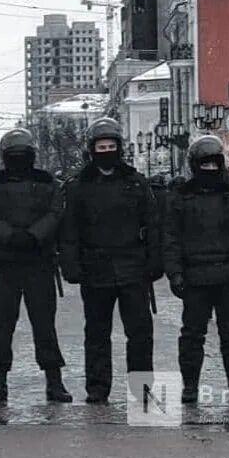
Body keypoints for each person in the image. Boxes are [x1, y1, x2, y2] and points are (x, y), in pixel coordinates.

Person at [59, 118, 161, 404]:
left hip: (133, 267)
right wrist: (71, 265)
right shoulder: (79, 186)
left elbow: (152, 223)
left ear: (119, 148)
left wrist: (155, 261)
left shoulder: (135, 183)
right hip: (95, 268)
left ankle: (141, 387)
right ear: (92, 150)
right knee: (96, 333)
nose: (106, 151)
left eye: (111, 146)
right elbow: (70, 230)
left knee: (140, 333)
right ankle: (97, 388)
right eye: (101, 147)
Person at [0, 128, 71, 404]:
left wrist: (33, 235)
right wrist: (11, 236)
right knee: (2, 326)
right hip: (4, 264)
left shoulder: (47, 183)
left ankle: (53, 380)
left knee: (43, 325)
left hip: (37, 262)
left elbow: (56, 213)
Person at [163, 136, 229, 404]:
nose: (210, 170)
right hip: (194, 278)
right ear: (194, 165)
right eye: (205, 164)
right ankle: (190, 386)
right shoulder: (181, 199)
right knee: (192, 336)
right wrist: (175, 273)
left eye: (214, 164)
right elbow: (171, 239)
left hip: (228, 277)